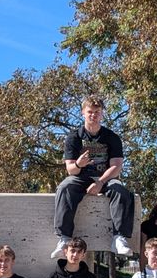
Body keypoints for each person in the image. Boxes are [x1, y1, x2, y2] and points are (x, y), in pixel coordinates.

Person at [51, 94, 136, 258]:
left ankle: (119, 238)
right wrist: (78, 165)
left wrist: (101, 182)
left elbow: (116, 167)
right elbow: (71, 170)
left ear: (102, 114)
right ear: (83, 112)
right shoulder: (74, 137)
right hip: (81, 178)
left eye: (97, 112)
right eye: (90, 112)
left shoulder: (112, 137)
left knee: (121, 191)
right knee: (64, 187)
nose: (93, 115)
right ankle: (64, 238)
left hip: (106, 178)